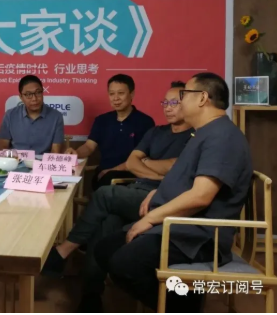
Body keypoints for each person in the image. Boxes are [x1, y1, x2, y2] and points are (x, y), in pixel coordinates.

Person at [92, 72, 252, 312]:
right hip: (177, 225)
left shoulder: (222, 136)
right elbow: (183, 179)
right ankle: (181, 303)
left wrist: (150, 218)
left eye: (184, 94)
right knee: (105, 249)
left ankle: (182, 307)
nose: (179, 101)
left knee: (125, 263)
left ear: (202, 98)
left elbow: (201, 196)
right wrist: (157, 193)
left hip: (198, 236)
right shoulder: (203, 132)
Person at [42, 81, 193, 310]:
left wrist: (149, 166)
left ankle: (64, 250)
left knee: (104, 194)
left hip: (163, 199)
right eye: (166, 102)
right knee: (106, 224)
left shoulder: (194, 137)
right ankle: (91, 297)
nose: (169, 107)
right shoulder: (156, 132)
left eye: (175, 103)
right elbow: (132, 162)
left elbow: (175, 166)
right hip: (136, 190)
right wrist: (157, 170)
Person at [66, 74, 155, 190]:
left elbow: (143, 158)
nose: (116, 98)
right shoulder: (102, 120)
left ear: (132, 94)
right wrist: (76, 153)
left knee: (106, 180)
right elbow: (89, 146)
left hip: (130, 175)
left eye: (121, 93)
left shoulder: (145, 122)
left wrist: (112, 170)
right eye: (112, 94)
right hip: (104, 173)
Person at [0, 75, 64, 155]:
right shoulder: (10, 115)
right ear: (21, 97)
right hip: (16, 160)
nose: (34, 99)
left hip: (43, 162)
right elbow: (3, 148)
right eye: (28, 94)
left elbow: (55, 152)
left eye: (38, 92)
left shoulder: (56, 117)